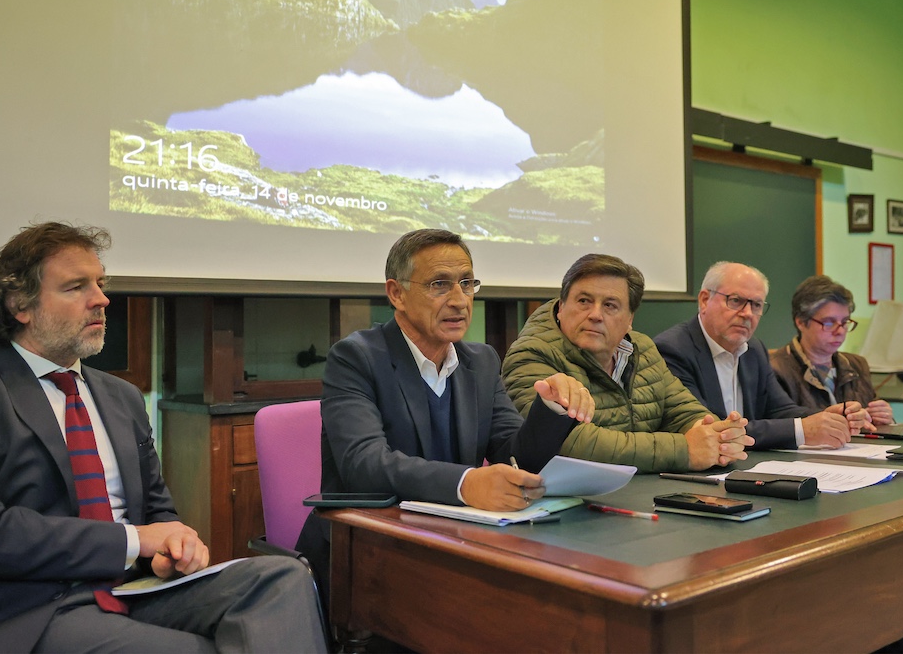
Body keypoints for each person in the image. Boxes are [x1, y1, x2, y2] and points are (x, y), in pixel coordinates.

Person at [0, 222, 326, 653]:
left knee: (280, 578)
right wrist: (135, 540)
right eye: (76, 287)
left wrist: (173, 543)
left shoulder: (121, 397)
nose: (101, 300)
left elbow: (157, 510)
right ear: (21, 305)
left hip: (132, 590)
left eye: (100, 283)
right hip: (23, 610)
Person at [296, 228, 594, 607]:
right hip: (366, 553)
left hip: (454, 544)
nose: (459, 301)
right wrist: (467, 483)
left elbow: (512, 454)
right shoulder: (356, 358)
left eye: (467, 283)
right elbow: (364, 465)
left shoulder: (481, 361)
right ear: (396, 293)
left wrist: (550, 409)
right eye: (440, 284)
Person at [502, 253, 752, 473]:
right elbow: (568, 443)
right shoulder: (531, 354)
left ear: (629, 319)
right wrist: (685, 450)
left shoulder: (641, 349)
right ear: (561, 307)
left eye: (610, 305)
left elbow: (681, 409)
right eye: (583, 301)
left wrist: (717, 435)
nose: (595, 315)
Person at [654, 261, 870, 451]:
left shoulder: (753, 349)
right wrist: (803, 429)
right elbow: (712, 429)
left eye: (756, 305)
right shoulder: (673, 350)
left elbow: (781, 410)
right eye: (736, 301)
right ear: (704, 300)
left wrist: (828, 417)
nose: (747, 313)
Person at [769, 275, 893, 426]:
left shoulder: (857, 364)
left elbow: (872, 421)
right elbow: (781, 424)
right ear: (801, 322)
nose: (840, 331)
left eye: (845, 322)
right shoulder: (775, 369)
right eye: (829, 322)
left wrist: (883, 417)